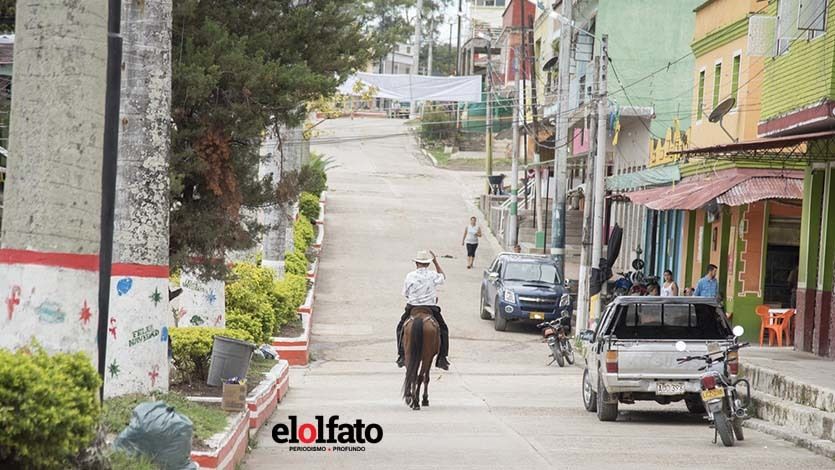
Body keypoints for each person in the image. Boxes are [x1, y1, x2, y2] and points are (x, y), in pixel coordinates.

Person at [396, 250, 450, 370]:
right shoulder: (432, 275)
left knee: (400, 327)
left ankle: (401, 355)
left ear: (416, 263)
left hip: (413, 307)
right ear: (428, 264)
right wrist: (436, 262)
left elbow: (405, 293)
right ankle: (442, 358)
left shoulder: (410, 276)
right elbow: (443, 277)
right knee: (443, 329)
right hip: (430, 308)